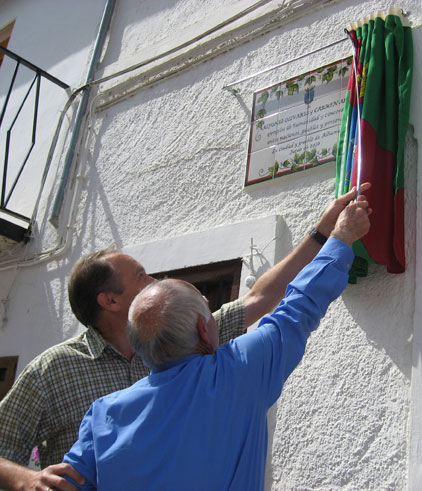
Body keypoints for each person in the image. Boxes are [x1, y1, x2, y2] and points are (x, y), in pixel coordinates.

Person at [0, 184, 369, 491]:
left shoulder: (102, 414)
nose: (154, 282)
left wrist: (321, 233)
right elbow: (297, 307)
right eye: (143, 277)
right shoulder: (233, 370)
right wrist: (28, 479)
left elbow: (260, 298)